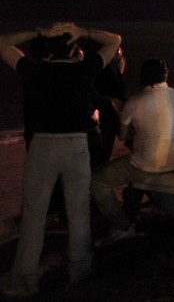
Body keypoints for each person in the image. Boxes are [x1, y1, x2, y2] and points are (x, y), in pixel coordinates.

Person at [0, 22, 121, 297]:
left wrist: (37, 31)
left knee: (34, 214)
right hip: (76, 144)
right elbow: (114, 40)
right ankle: (80, 269)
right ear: (73, 49)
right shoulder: (83, 70)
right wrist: (85, 31)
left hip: (43, 145)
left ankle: (25, 279)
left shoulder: (35, 70)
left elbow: (3, 43)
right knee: (78, 210)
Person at [91, 58, 174, 245]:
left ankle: (122, 225)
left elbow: (122, 135)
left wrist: (125, 118)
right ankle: (132, 208)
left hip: (147, 165)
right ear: (165, 76)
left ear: (142, 78)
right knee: (136, 175)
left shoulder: (135, 101)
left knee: (97, 182)